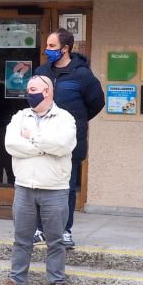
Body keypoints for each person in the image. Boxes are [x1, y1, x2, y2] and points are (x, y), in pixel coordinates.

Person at [0, 75, 76, 285]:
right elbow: (11, 145)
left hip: (55, 189)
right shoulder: (20, 116)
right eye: (28, 89)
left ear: (47, 91)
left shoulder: (65, 118)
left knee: (56, 240)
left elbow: (62, 145)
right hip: (24, 187)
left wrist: (32, 137)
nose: (28, 92)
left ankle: (57, 283)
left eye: (33, 89)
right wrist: (43, 147)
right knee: (22, 239)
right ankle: (16, 280)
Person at [33, 28, 104, 248]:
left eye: (52, 47)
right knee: (40, 185)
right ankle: (40, 229)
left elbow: (96, 103)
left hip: (70, 142)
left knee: (67, 187)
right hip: (42, 138)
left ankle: (65, 230)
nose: (48, 50)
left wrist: (76, 122)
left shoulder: (82, 74)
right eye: (47, 46)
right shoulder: (42, 70)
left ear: (66, 48)